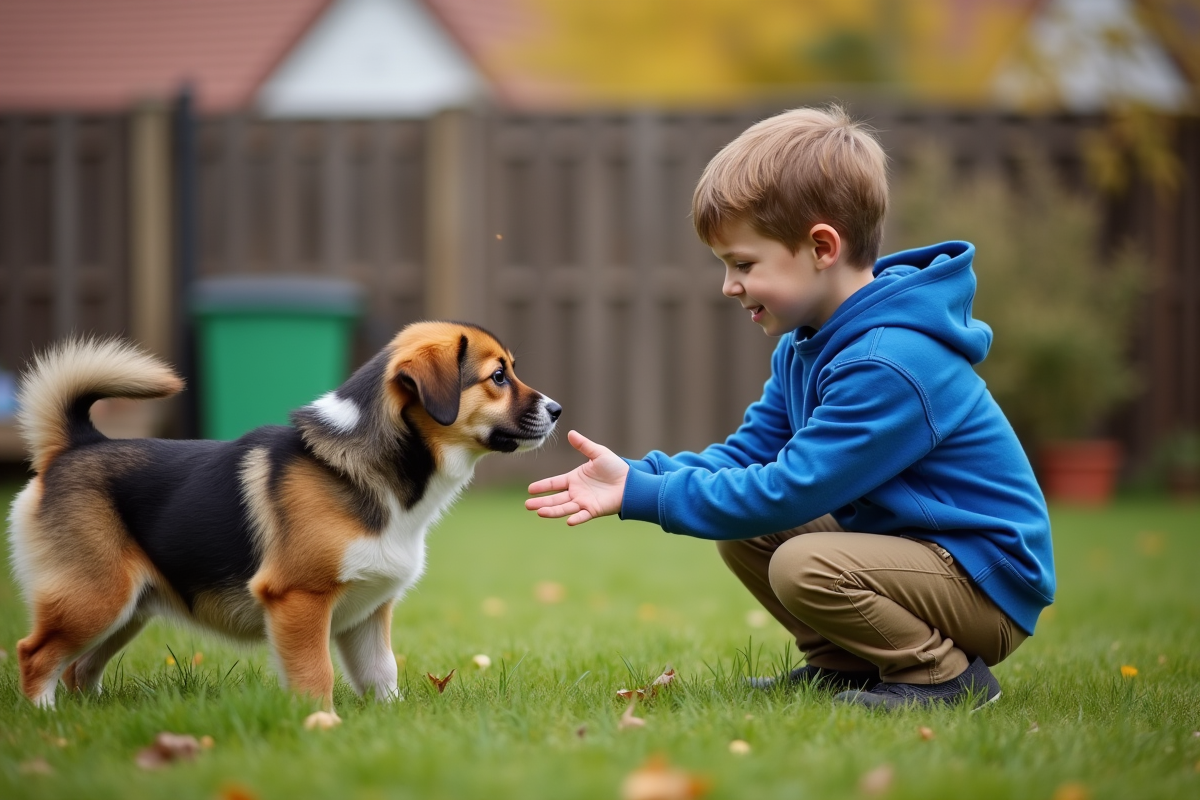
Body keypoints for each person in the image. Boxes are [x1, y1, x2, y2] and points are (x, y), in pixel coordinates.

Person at [525, 106, 1053, 710]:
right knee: (752, 535)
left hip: (985, 581)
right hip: (918, 562)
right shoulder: (806, 347)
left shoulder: (888, 362)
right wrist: (638, 475)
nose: (728, 285)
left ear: (821, 247)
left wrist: (645, 498)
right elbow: (749, 457)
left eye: (744, 264)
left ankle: (941, 677)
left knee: (803, 561)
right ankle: (844, 666)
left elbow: (794, 488)